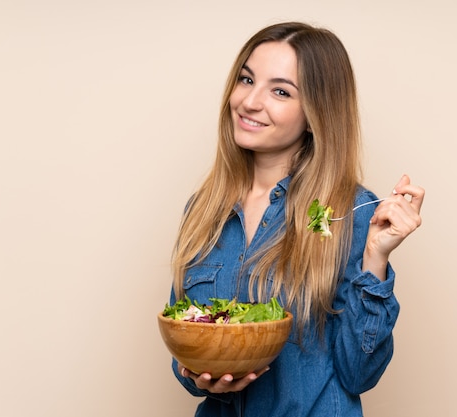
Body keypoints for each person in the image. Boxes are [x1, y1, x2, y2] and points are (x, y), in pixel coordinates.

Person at [168, 21, 424, 416]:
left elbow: (359, 373)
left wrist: (375, 258)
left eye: (281, 91)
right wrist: (196, 373)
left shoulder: (349, 214)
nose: (250, 101)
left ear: (316, 112)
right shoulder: (203, 209)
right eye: (246, 79)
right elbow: (183, 341)